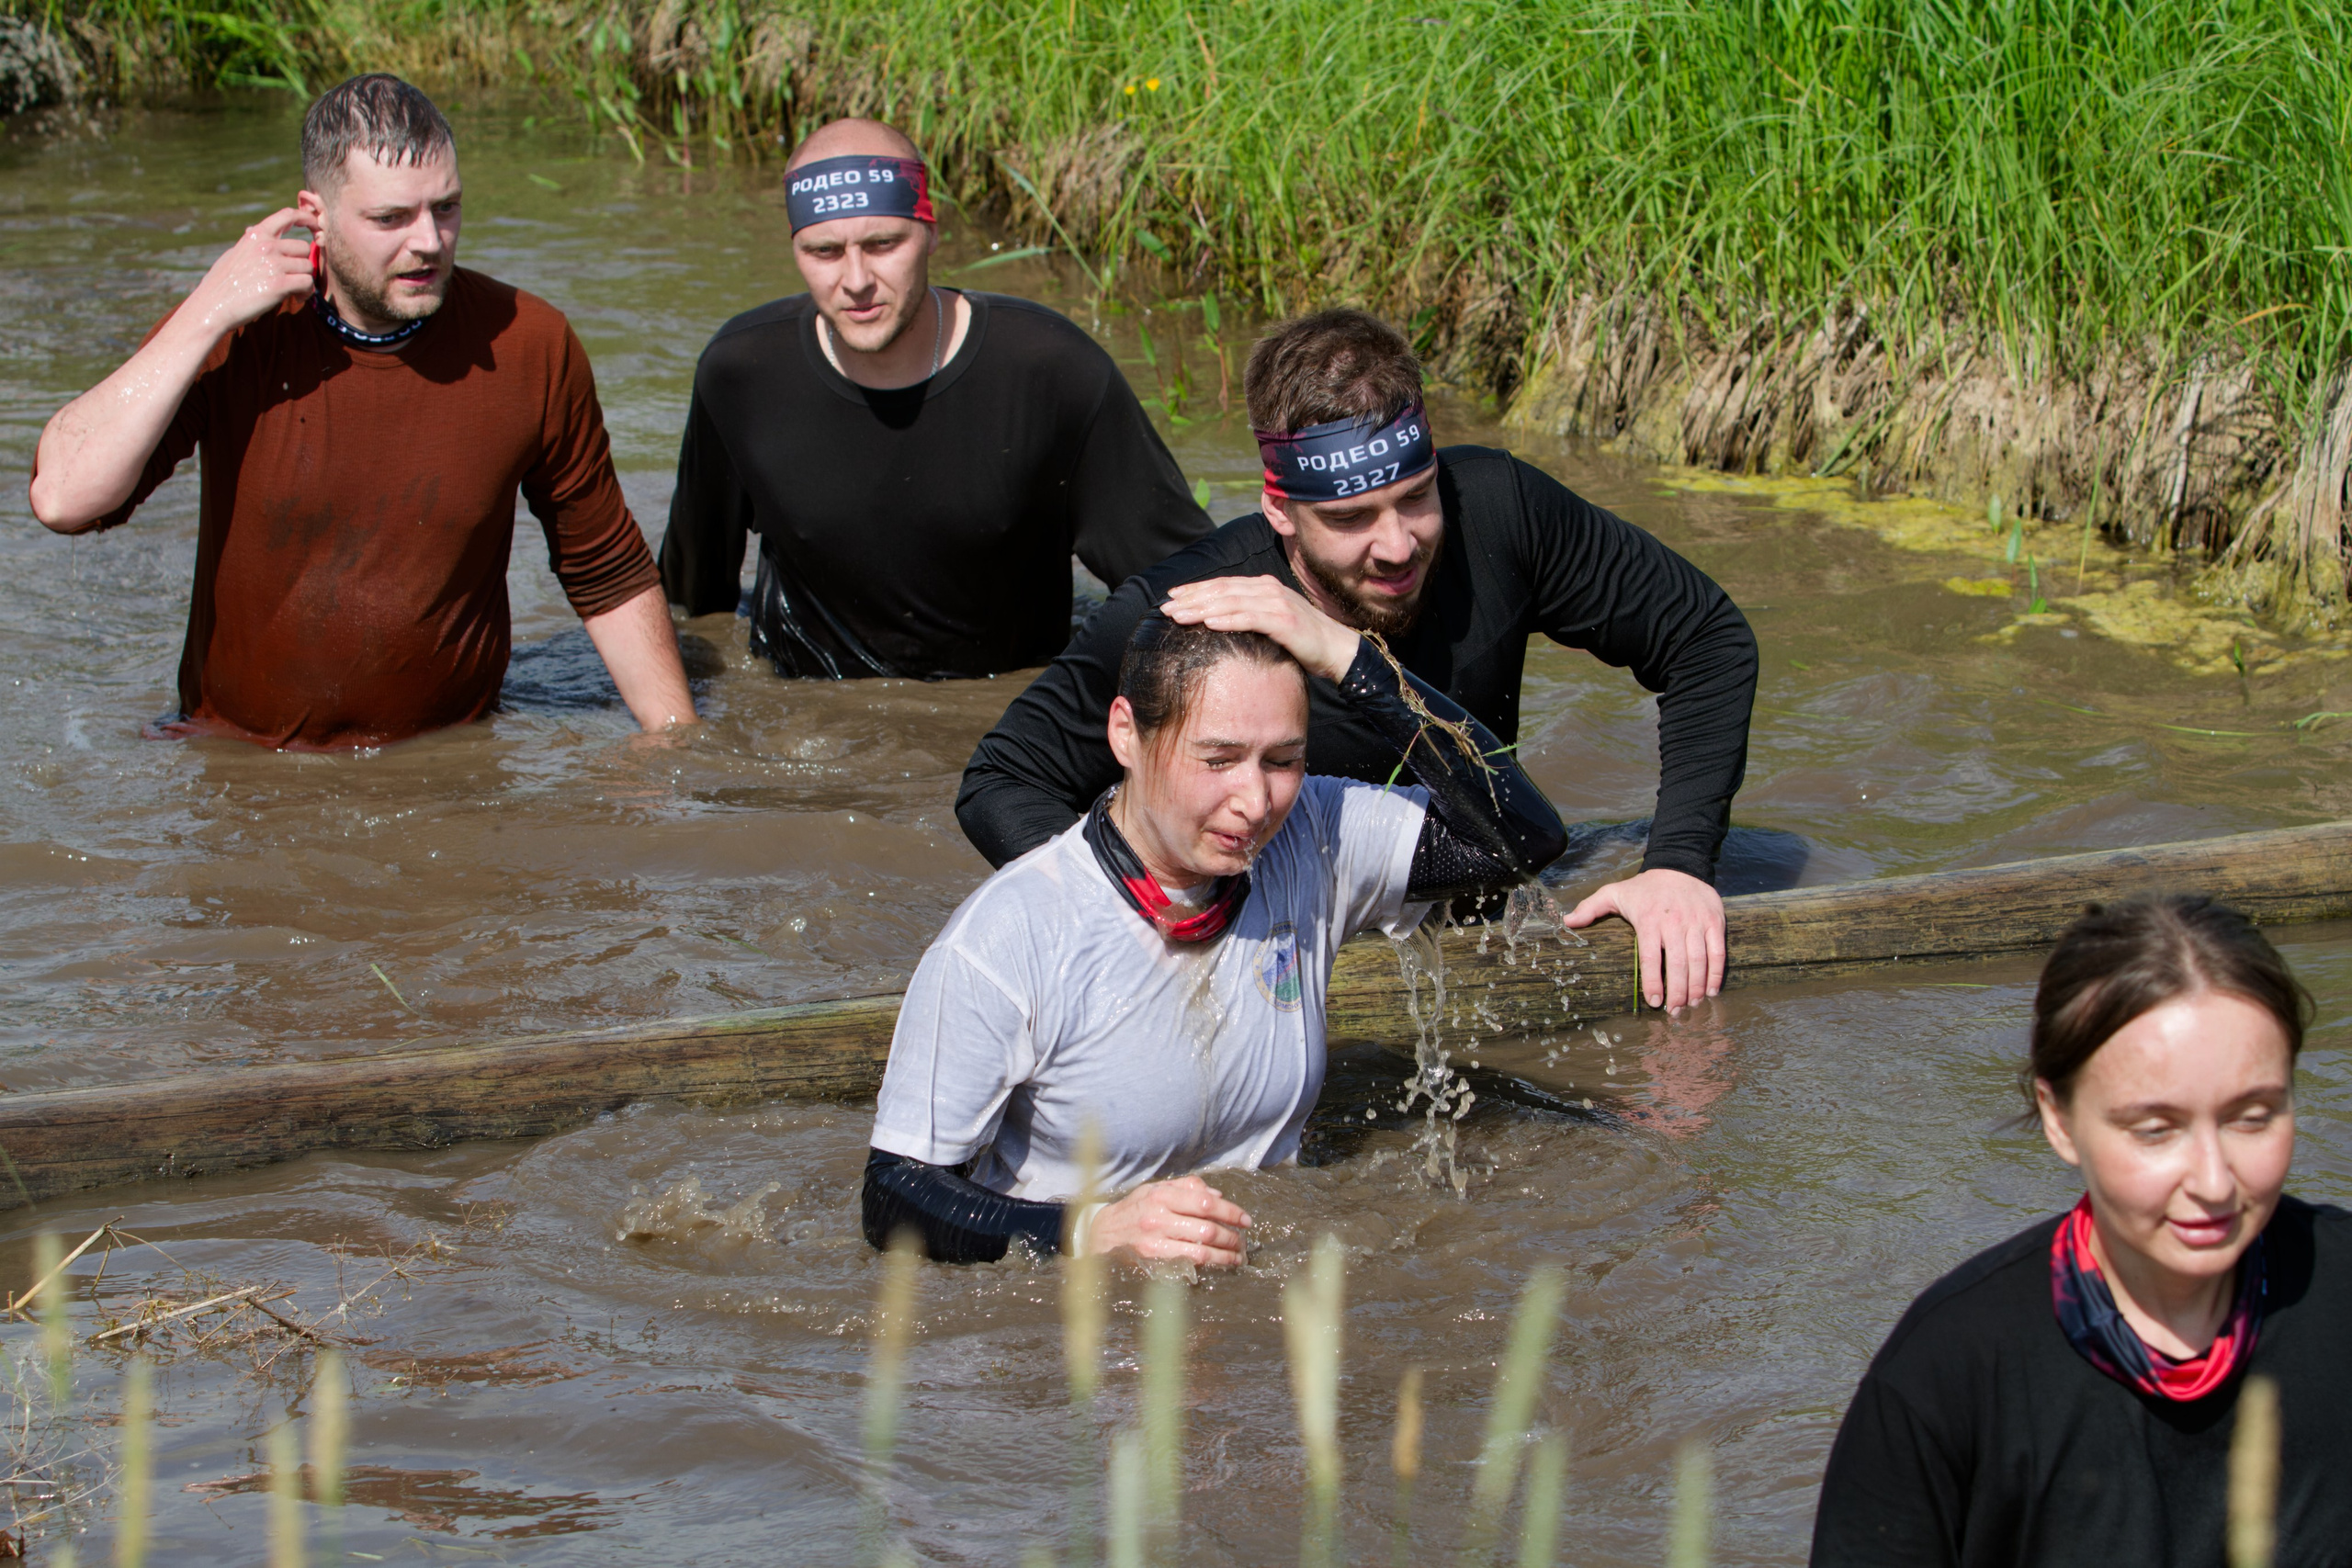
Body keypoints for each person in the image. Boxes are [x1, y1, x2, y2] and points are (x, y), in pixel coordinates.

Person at [956, 309, 1757, 1011]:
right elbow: (1002, 781)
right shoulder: (1188, 610)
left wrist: (1679, 867)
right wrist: (1148, 920)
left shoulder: (1503, 510)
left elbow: (1706, 639)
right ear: (1280, 509)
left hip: (1477, 859)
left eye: (1416, 495)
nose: (1398, 544)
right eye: (1350, 517)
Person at [862, 580, 1567, 1264]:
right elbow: (896, 1198)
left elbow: (1521, 836)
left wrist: (1352, 658)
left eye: (1283, 760)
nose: (1255, 801)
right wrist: (1090, 1233)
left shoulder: (1314, 834)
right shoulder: (1008, 936)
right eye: (1219, 759)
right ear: (1126, 735)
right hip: (1069, 1316)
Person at [26, 74, 694, 749]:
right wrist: (203, 311)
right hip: (241, 760)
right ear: (314, 213)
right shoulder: (239, 331)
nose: (430, 241)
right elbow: (64, 499)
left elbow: (606, 568)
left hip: (449, 763)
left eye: (448, 207)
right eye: (391, 218)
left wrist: (677, 753)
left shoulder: (530, 343)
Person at [1810, 895, 2352, 1566]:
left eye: (2252, 1116)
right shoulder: (1949, 1372)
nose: (2214, 1181)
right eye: (2156, 1128)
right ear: (2060, 1119)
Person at [657, 118, 1211, 680]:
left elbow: (1190, 587)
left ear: (931, 231)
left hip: (998, 708)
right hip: (802, 719)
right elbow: (692, 603)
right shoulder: (741, 373)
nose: (856, 280)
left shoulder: (1050, 370)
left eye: (882, 244)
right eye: (824, 251)